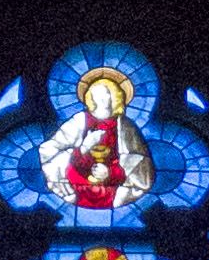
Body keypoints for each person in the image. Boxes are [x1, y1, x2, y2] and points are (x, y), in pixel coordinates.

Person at [36, 63, 151, 210]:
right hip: (76, 182)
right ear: (90, 97)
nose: (102, 97)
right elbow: (49, 149)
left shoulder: (126, 126)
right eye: (96, 93)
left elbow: (141, 162)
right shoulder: (79, 121)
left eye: (107, 92)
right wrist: (84, 147)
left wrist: (111, 173)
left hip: (116, 188)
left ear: (115, 95)